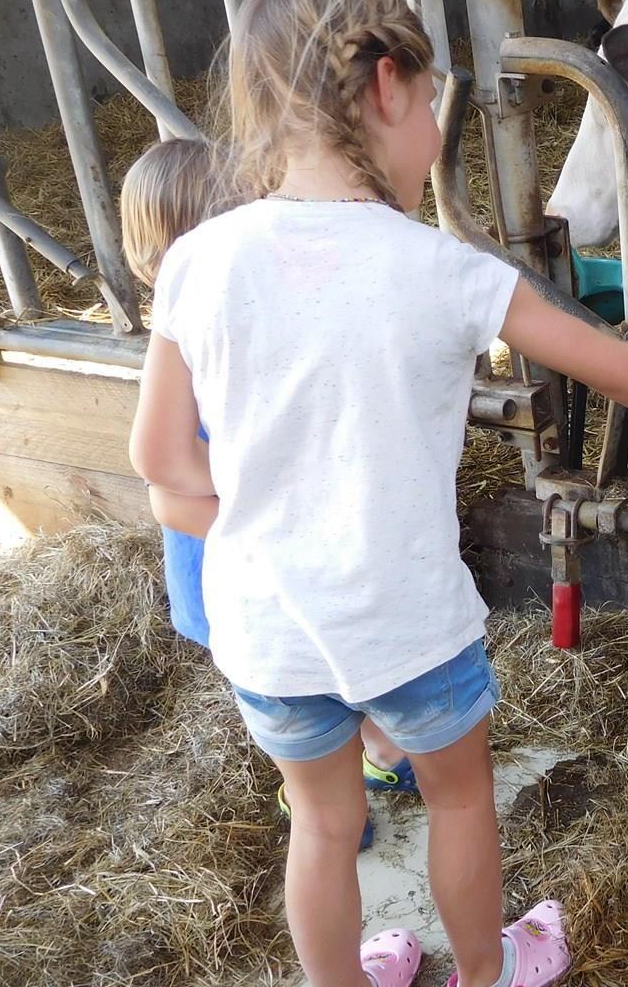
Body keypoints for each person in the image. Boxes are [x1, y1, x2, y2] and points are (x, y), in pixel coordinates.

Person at [129, 0, 628, 987]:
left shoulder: (196, 263)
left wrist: (261, 529)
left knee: (320, 822)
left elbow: (160, 464)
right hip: (406, 619)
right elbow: (615, 369)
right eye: (436, 102)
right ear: (388, 87)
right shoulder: (444, 271)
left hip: (269, 629)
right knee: (455, 799)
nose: (436, 130)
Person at [121, 138, 417, 854]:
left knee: (330, 670)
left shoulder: (250, 326)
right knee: (291, 683)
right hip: (238, 562)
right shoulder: (188, 351)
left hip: (293, 556)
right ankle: (327, 797)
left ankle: (372, 759)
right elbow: (171, 489)